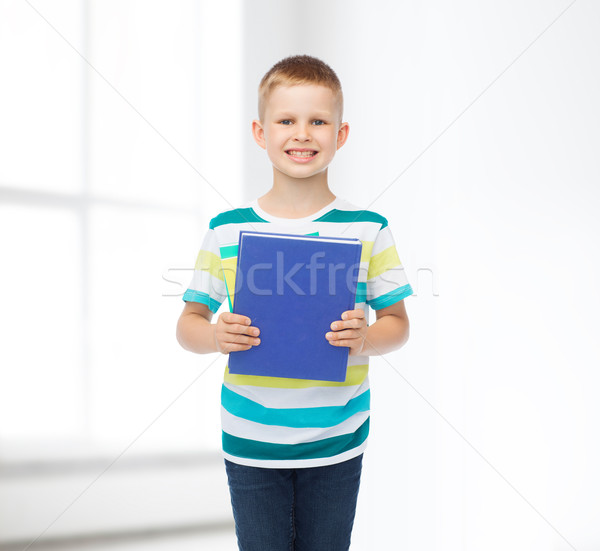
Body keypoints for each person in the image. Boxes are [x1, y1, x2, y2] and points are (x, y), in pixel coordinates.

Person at [176, 54, 413, 551]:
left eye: (318, 122)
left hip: (337, 439)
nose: (302, 134)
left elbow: (397, 323)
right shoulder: (228, 229)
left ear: (340, 134)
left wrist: (366, 338)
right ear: (261, 133)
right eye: (286, 120)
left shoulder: (369, 227)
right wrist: (215, 334)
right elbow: (189, 323)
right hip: (251, 440)